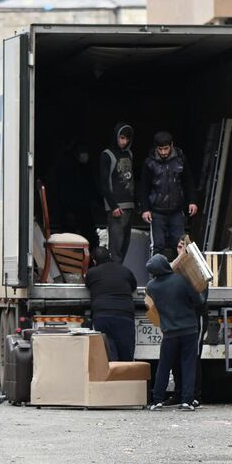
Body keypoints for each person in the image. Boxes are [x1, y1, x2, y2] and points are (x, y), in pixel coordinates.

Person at [144, 252, 204, 411]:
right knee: (188, 365)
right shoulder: (181, 280)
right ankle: (187, 401)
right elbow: (198, 301)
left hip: (169, 333)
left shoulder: (151, 287)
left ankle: (157, 400)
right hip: (189, 330)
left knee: (164, 366)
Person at [140, 130, 197, 258]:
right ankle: (156, 276)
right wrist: (145, 209)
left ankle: (179, 275)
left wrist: (192, 201)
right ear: (156, 148)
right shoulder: (150, 163)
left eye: (166, 149)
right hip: (156, 211)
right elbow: (144, 187)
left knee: (180, 245)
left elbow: (188, 181)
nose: (164, 152)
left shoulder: (180, 159)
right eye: (160, 149)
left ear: (172, 145)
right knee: (157, 246)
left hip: (176, 210)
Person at [83, 246, 137, 362]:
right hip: (124, 315)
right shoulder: (125, 270)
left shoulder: (92, 273)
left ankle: (112, 377)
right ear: (110, 257)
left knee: (109, 354)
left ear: (94, 261)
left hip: (102, 316)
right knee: (126, 355)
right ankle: (127, 377)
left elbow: (88, 285)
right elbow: (133, 287)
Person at [98, 124, 137, 262]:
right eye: (121, 138)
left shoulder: (129, 153)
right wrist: (113, 205)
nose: (124, 142)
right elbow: (104, 183)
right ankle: (114, 278)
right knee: (116, 247)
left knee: (125, 245)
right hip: (117, 206)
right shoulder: (107, 155)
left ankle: (118, 274)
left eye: (127, 139)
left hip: (129, 205)